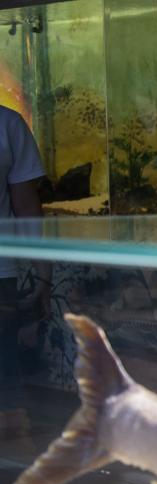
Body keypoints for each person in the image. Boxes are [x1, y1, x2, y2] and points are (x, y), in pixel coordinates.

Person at [0, 105, 46, 444]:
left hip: (1, 275)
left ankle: (16, 457)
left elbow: (27, 207)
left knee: (6, 374)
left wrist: (44, 274)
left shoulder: (8, 124)